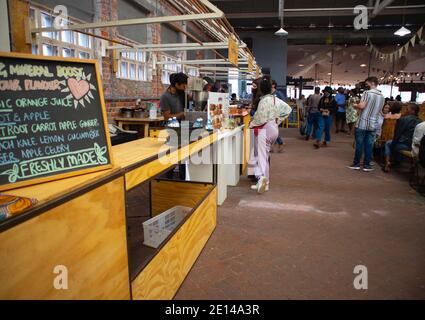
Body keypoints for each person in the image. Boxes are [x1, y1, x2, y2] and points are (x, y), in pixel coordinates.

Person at [249, 77, 292, 193]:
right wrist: (278, 120)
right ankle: (261, 182)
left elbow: (260, 118)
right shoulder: (274, 99)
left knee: (261, 158)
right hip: (273, 128)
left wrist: (251, 124)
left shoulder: (263, 101)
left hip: (264, 129)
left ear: (261, 90)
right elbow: (288, 109)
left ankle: (265, 183)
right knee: (262, 156)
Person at [348, 76, 385, 172]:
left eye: (367, 83)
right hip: (373, 124)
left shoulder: (367, 93)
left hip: (363, 122)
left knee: (359, 144)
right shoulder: (382, 96)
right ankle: (367, 165)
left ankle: (356, 164)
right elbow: (381, 112)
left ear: (372, 83)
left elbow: (362, 106)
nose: (366, 85)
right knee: (369, 145)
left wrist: (355, 105)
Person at [383, 103, 422, 172]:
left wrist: (393, 144)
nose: (406, 110)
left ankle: (387, 163)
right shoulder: (420, 122)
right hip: (416, 147)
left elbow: (397, 134)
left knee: (388, 143)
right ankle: (400, 162)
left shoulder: (403, 119)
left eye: (407, 109)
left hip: (405, 145)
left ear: (413, 111)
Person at [271, 80, 285, 152]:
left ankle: (280, 143)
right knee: (272, 130)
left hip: (276, 114)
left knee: (273, 130)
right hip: (269, 114)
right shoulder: (268, 94)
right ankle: (274, 145)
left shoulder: (278, 93)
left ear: (273, 85)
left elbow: (283, 102)